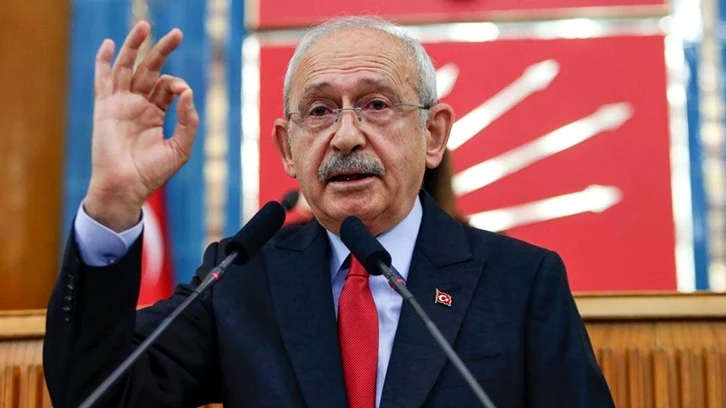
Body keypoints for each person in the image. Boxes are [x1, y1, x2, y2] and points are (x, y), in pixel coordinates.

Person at [44, 16, 614, 407]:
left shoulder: (521, 281)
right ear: (288, 148)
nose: (344, 136)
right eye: (319, 111)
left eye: (375, 104)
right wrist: (113, 204)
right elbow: (99, 393)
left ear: (433, 134)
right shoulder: (242, 279)